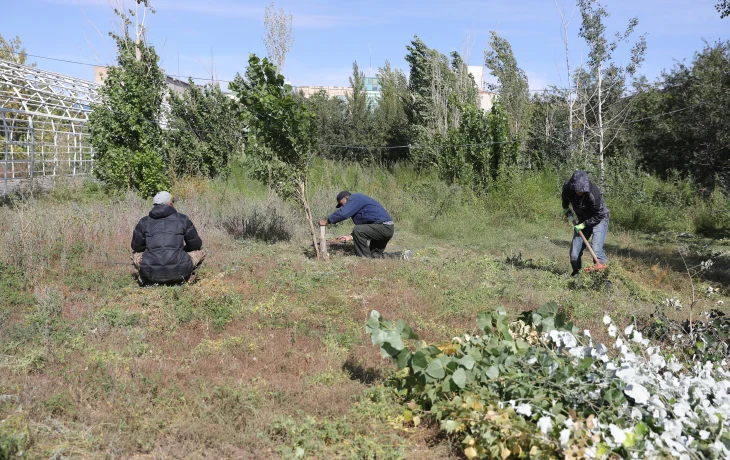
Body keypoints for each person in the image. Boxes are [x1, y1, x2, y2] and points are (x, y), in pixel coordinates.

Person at [131, 191, 205, 285]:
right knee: (200, 252)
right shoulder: (182, 219)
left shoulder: (143, 221)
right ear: (170, 204)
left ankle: (146, 279)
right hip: (180, 270)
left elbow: (136, 247)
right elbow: (196, 244)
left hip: (151, 272)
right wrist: (182, 250)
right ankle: (187, 278)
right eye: (173, 202)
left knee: (135, 254)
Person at [319, 191, 408, 259]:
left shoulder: (355, 198)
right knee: (375, 256)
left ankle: (364, 259)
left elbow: (343, 214)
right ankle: (402, 255)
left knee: (358, 230)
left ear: (346, 198)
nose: (343, 206)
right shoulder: (359, 206)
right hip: (386, 228)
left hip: (384, 227)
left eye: (342, 204)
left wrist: (327, 221)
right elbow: (367, 228)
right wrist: (349, 237)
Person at [562, 170, 609, 275]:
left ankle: (603, 277)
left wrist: (584, 225)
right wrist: (565, 207)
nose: (580, 192)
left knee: (596, 249)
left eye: (582, 190)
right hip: (583, 218)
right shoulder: (568, 187)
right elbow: (565, 196)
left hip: (599, 219)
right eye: (577, 190)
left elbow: (600, 214)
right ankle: (576, 274)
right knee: (574, 253)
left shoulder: (593, 193)